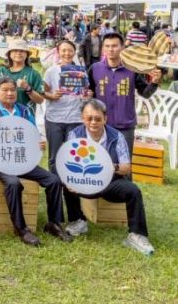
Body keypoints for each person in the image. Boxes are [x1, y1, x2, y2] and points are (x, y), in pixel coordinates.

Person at [0, 77, 73, 246]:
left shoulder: (24, 110)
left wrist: (39, 143)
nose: (10, 93)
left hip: (21, 158)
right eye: (5, 90)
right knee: (13, 183)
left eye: (12, 90)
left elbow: (32, 135)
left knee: (54, 180)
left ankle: (54, 224)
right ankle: (21, 229)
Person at [62, 100, 155, 255]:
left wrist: (114, 167)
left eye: (98, 118)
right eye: (89, 118)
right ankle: (78, 221)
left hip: (110, 183)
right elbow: (67, 163)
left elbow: (126, 167)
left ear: (105, 119)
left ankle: (136, 235)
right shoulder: (75, 135)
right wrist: (72, 181)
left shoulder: (116, 136)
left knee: (133, 191)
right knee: (66, 184)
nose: (93, 122)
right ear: (82, 118)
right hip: (85, 182)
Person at [89, 32, 160, 154]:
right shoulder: (94, 68)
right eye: (107, 46)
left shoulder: (132, 69)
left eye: (114, 46)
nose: (110, 49)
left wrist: (154, 83)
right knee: (101, 160)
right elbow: (89, 93)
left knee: (124, 161)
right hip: (100, 124)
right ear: (103, 48)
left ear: (122, 48)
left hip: (125, 125)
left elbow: (145, 93)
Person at [42, 40, 93, 183]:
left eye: (70, 50)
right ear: (58, 52)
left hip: (76, 119)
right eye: (63, 50)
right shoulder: (51, 71)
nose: (67, 53)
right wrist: (52, 96)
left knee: (74, 155)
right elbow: (42, 91)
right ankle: (54, 186)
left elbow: (85, 93)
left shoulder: (81, 71)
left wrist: (87, 95)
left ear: (74, 52)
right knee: (54, 156)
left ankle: (71, 186)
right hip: (54, 119)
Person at [0, 39, 44, 113]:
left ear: (27, 54)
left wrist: (28, 88)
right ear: (9, 53)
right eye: (15, 50)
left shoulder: (33, 74)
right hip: (2, 115)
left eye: (22, 51)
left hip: (25, 116)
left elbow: (40, 100)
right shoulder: (0, 72)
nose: (18, 53)